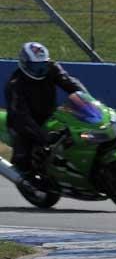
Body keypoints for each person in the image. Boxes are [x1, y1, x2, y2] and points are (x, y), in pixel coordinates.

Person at [3, 42, 86, 178]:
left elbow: (70, 83)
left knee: (76, 132)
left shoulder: (51, 68)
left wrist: (86, 98)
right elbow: (21, 117)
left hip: (49, 115)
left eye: (43, 64)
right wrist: (42, 138)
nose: (41, 69)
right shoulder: (15, 85)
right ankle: (25, 180)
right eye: (35, 66)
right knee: (24, 158)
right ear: (24, 64)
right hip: (23, 122)